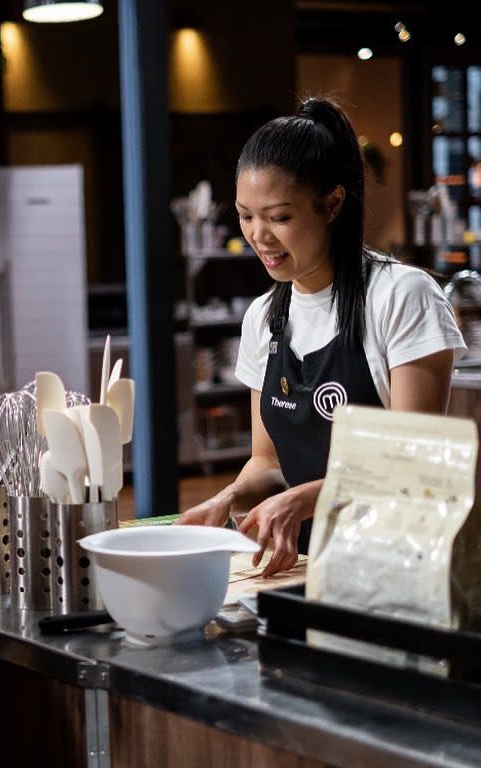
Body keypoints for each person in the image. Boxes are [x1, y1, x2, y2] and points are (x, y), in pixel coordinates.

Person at [177, 97, 466, 578]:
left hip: (401, 571)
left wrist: (303, 498)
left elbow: (413, 467)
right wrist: (226, 501)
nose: (259, 235)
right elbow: (267, 463)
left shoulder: (401, 295)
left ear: (332, 204)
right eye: (247, 216)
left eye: (279, 217)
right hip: (307, 568)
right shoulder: (263, 317)